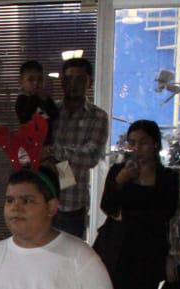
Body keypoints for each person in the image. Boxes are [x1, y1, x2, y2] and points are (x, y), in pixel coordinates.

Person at [93, 120, 180, 289]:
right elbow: (107, 206)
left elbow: (167, 212)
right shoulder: (119, 171)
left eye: (142, 142)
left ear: (155, 143)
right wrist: (120, 182)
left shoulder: (168, 177)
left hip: (150, 250)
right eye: (132, 143)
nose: (137, 149)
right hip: (120, 250)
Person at [46, 58, 109, 240]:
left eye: (80, 79)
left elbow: (90, 157)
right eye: (68, 79)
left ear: (90, 82)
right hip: (42, 197)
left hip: (71, 203)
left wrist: (54, 151)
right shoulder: (50, 112)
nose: (73, 84)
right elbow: (36, 147)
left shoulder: (97, 116)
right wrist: (67, 156)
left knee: (69, 260)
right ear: (61, 81)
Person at [15, 60, 58, 144]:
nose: (36, 83)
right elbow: (24, 117)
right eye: (31, 80)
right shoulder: (21, 99)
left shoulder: (44, 98)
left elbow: (55, 115)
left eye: (40, 80)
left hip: (47, 142)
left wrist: (47, 101)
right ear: (21, 82)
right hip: (29, 142)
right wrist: (34, 97)